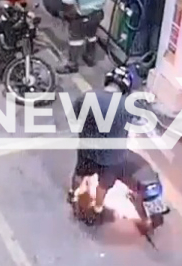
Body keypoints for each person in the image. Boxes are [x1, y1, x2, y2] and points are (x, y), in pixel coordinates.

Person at [66, 66, 153, 233]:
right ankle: (98, 208)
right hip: (113, 157)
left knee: (80, 173)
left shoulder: (88, 97)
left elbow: (74, 116)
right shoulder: (127, 105)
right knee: (103, 185)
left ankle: (73, 193)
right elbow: (141, 121)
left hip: (88, 149)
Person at [57, 0, 111, 74]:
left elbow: (67, 3)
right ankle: (90, 58)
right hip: (97, 15)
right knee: (91, 36)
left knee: (75, 40)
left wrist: (69, 15)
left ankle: (72, 65)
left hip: (81, 16)